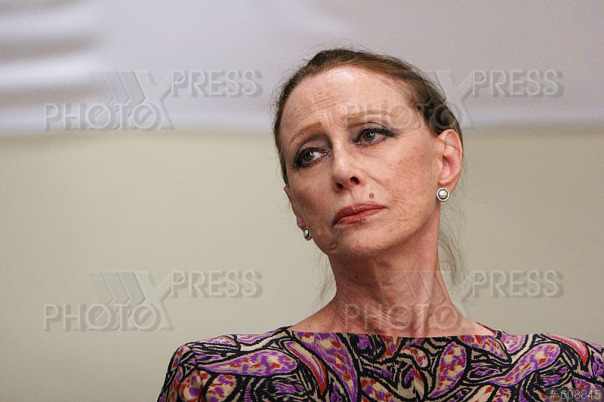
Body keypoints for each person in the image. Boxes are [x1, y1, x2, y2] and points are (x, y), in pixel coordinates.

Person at [158, 49, 603, 401]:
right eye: (310, 154)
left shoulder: (571, 375)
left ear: (445, 161)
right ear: (297, 206)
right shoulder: (218, 380)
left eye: (370, 134)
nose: (342, 170)